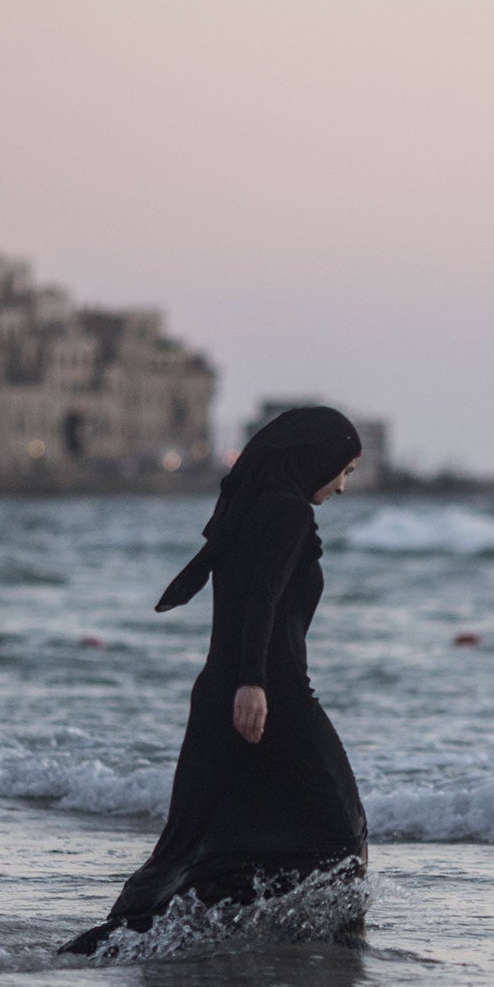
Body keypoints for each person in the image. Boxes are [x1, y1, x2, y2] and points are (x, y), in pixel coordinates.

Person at [61, 407, 368, 955]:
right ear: (315, 460)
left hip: (230, 696)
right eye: (344, 469)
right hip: (271, 700)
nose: (344, 486)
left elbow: (251, 602)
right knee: (339, 834)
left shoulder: (256, 508)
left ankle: (200, 944)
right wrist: (253, 682)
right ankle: (324, 957)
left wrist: (243, 684)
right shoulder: (289, 512)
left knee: (215, 840)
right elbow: (261, 602)